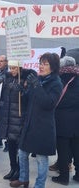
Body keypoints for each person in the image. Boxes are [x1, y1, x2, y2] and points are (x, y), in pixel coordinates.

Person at [10, 53, 63, 188]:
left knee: (41, 158)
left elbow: (48, 103)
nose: (41, 66)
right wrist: (22, 91)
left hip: (43, 127)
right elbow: (30, 100)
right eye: (40, 63)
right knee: (22, 153)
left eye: (45, 64)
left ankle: (39, 185)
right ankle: (23, 179)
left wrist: (36, 86)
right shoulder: (38, 79)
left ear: (53, 67)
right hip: (30, 124)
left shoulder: (56, 83)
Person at [0, 60, 37, 182]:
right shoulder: (8, 77)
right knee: (11, 145)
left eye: (15, 68)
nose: (12, 70)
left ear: (20, 67)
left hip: (20, 118)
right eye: (11, 68)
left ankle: (20, 170)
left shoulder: (26, 79)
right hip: (9, 117)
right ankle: (13, 168)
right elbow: (2, 87)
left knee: (20, 146)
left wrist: (24, 89)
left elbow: (28, 97)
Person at [51, 56, 79, 185]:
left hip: (62, 120)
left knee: (62, 150)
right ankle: (78, 175)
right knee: (76, 148)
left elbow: (56, 99)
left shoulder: (59, 79)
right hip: (76, 121)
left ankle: (63, 177)